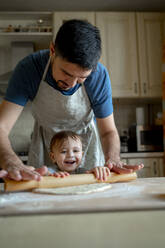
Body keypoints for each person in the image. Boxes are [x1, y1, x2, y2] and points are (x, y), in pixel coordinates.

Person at [0, 19, 143, 181]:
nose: (71, 83)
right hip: (44, 145)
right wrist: (11, 160)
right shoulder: (29, 69)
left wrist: (113, 159)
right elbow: (1, 126)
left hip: (86, 146)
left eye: (82, 77)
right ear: (52, 50)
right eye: (66, 73)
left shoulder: (98, 76)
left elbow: (108, 131)